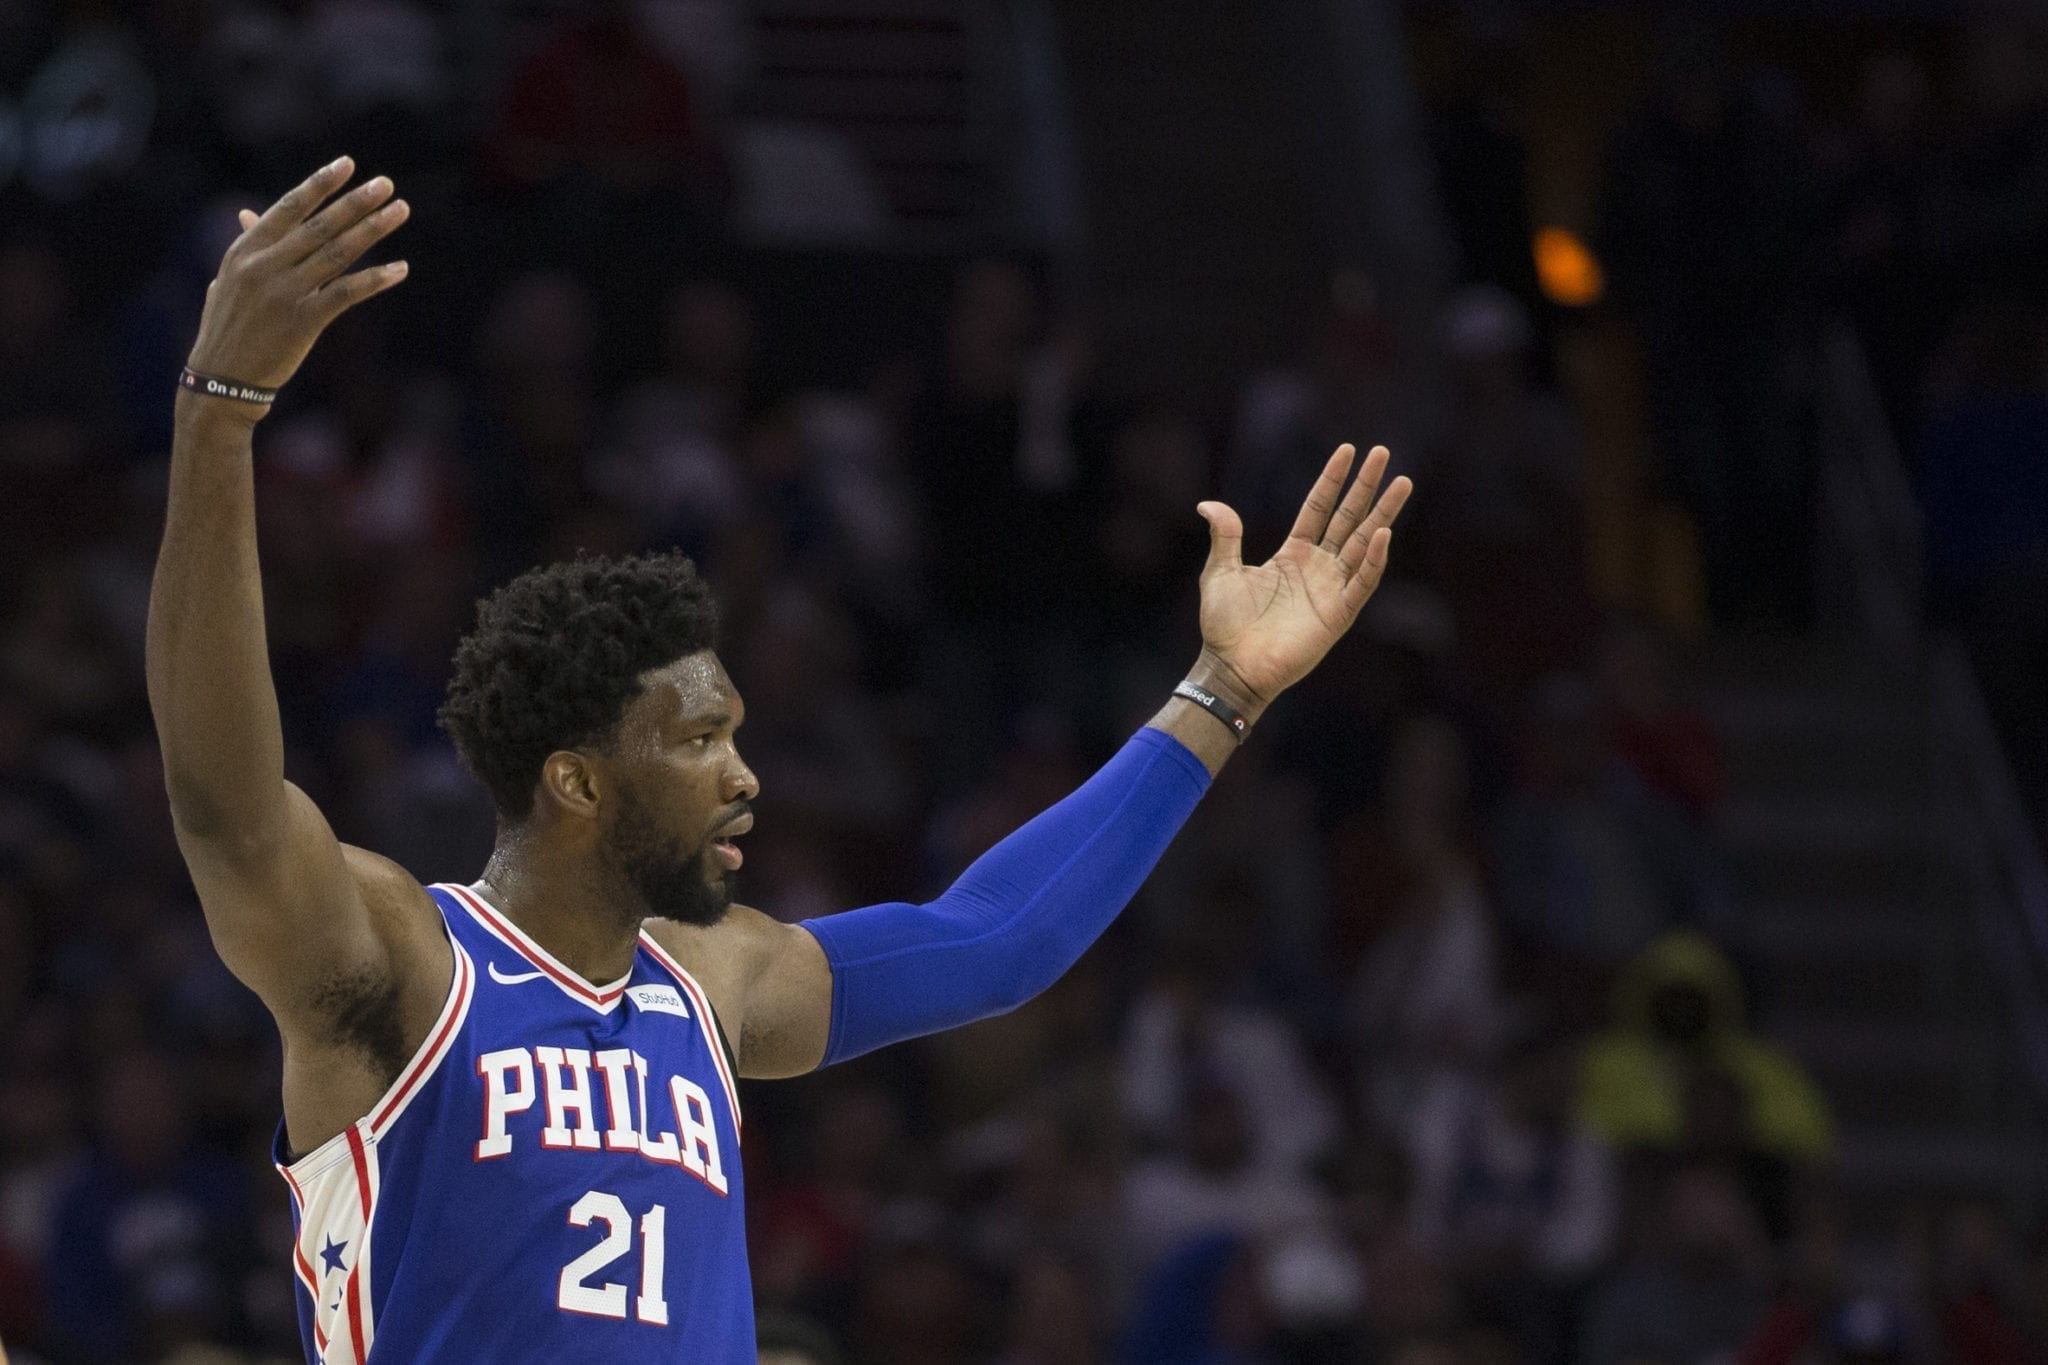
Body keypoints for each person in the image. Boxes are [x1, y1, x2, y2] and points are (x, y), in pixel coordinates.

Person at [143, 157, 1414, 1363]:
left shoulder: (718, 980)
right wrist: (219, 418)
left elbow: (991, 943)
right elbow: (229, 810)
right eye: (698, 741)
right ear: (577, 780)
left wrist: (1223, 691)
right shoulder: (400, 964)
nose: (745, 776)